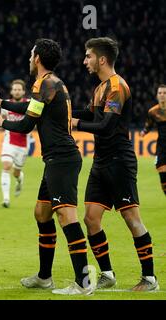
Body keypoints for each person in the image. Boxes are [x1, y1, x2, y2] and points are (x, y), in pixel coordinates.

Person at [0, 38, 93, 295]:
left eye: (32, 54)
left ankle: (84, 282)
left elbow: (26, 124)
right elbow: (31, 109)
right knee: (42, 214)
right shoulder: (51, 83)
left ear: (38, 59)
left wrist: (1, 122)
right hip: (55, 159)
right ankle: (45, 277)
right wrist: (3, 103)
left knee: (67, 216)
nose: (29, 58)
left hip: (62, 159)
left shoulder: (45, 83)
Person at [72, 37, 159, 291]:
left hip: (120, 161)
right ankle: (107, 274)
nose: (84, 61)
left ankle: (150, 278)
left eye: (88, 56)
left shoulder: (117, 86)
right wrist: (64, 111)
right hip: (101, 162)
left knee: (132, 219)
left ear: (101, 59)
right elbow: (90, 114)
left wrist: (75, 125)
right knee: (90, 218)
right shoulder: (100, 88)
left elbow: (106, 125)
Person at [0, 79, 30, 208]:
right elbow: (2, 121)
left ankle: (19, 179)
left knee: (16, 172)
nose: (16, 91)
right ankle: (6, 199)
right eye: (14, 89)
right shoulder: (5, 106)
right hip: (8, 142)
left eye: (19, 89)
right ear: (11, 91)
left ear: (23, 91)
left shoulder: (29, 104)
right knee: (6, 166)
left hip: (23, 145)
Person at [140, 84, 166, 196]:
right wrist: (144, 132)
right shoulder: (153, 111)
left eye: (165, 93)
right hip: (161, 146)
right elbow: (148, 124)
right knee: (163, 176)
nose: (162, 95)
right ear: (157, 95)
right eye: (160, 93)